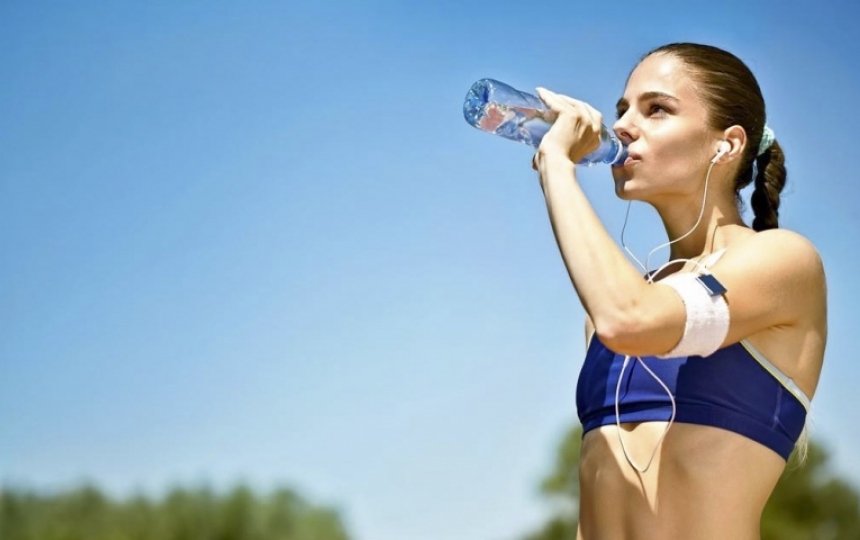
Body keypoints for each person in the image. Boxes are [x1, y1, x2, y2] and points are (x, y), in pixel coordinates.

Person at [531, 43, 827, 539]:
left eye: (656, 109)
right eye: (623, 109)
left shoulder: (784, 260)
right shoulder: (610, 311)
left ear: (727, 145)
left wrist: (558, 168)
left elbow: (630, 319)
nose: (623, 126)